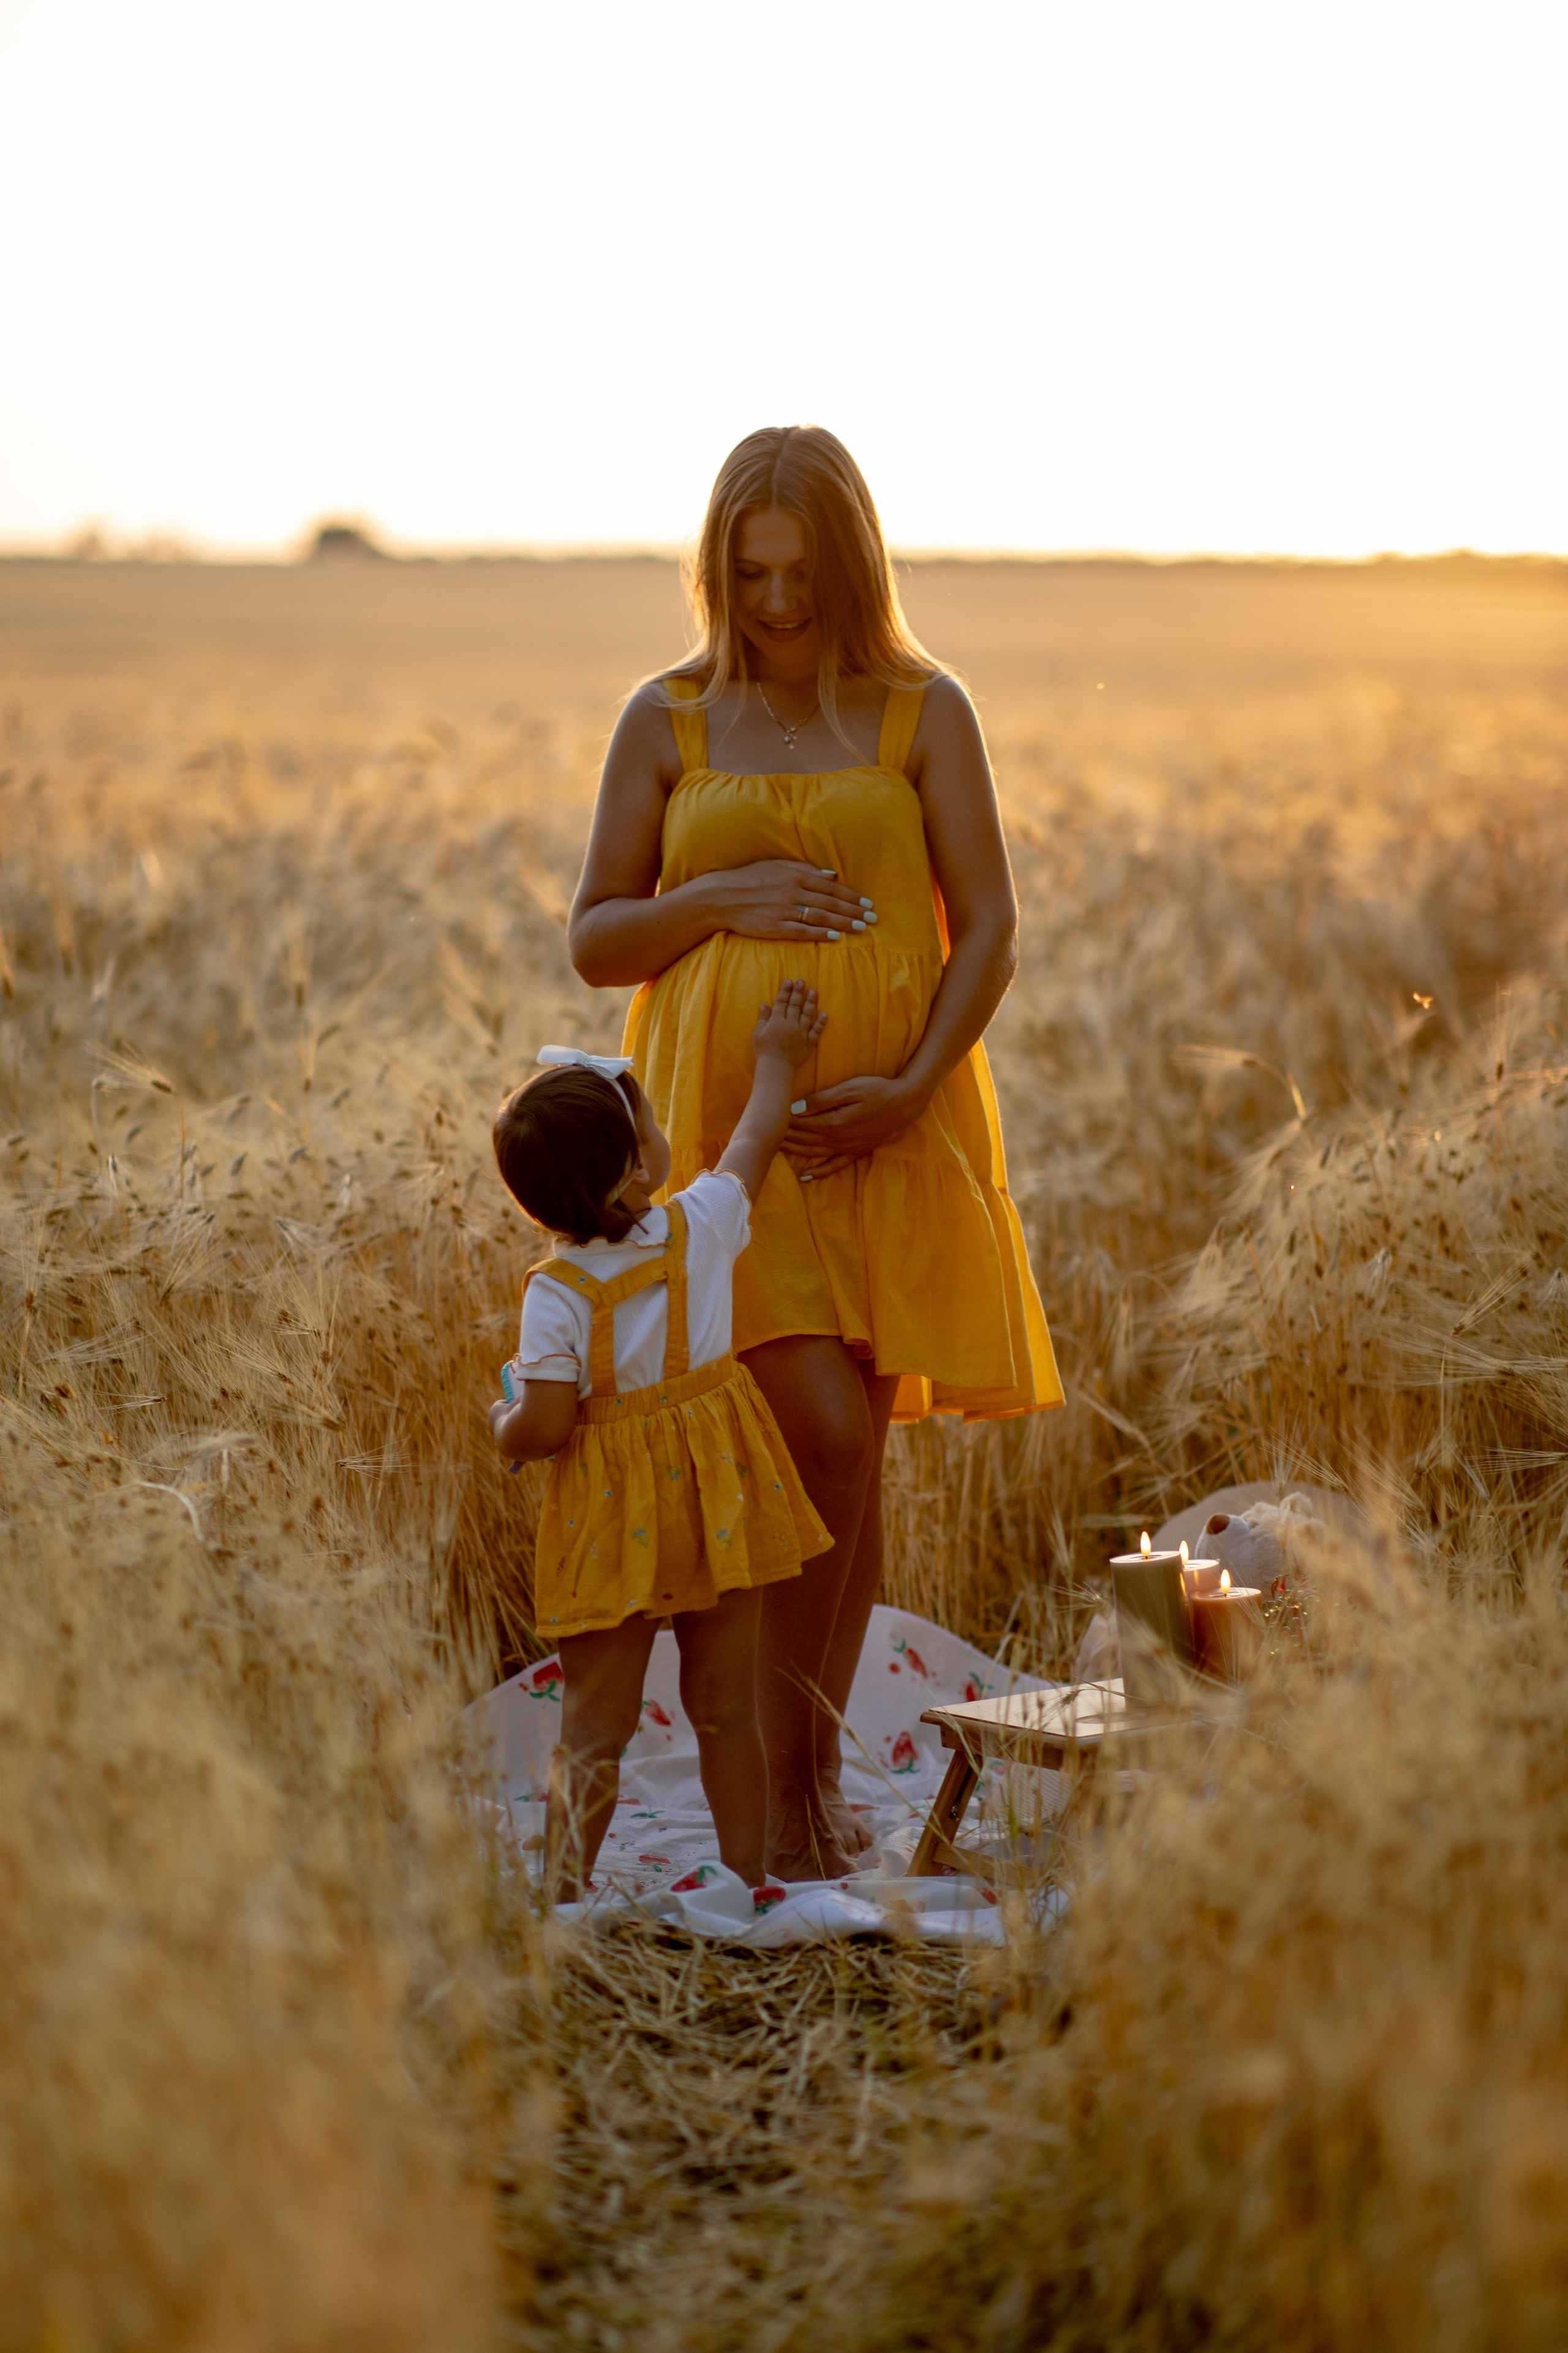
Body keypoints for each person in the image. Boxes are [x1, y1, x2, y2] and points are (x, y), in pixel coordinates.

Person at [568, 425, 1064, 1880]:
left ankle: (803, 1778)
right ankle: (785, 1775)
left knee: (853, 1464)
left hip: (887, 1135)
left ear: (848, 565)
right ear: (716, 569)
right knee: (825, 1433)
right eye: (748, 570)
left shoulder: (921, 707)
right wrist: (717, 894)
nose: (774, 601)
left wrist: (911, 1086)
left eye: (799, 571)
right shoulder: (665, 716)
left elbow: (990, 926)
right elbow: (598, 935)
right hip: (724, 1147)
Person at [488, 983, 832, 1898]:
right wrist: (776, 1058)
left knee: (596, 1723)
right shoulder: (700, 1224)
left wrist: (506, 1427)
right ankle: (746, 1878)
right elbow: (756, 1139)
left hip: (611, 1515)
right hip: (717, 1490)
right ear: (636, 1174)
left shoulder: (554, 1292)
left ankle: (562, 1891)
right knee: (726, 1708)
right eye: (646, 1119)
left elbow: (549, 1421)